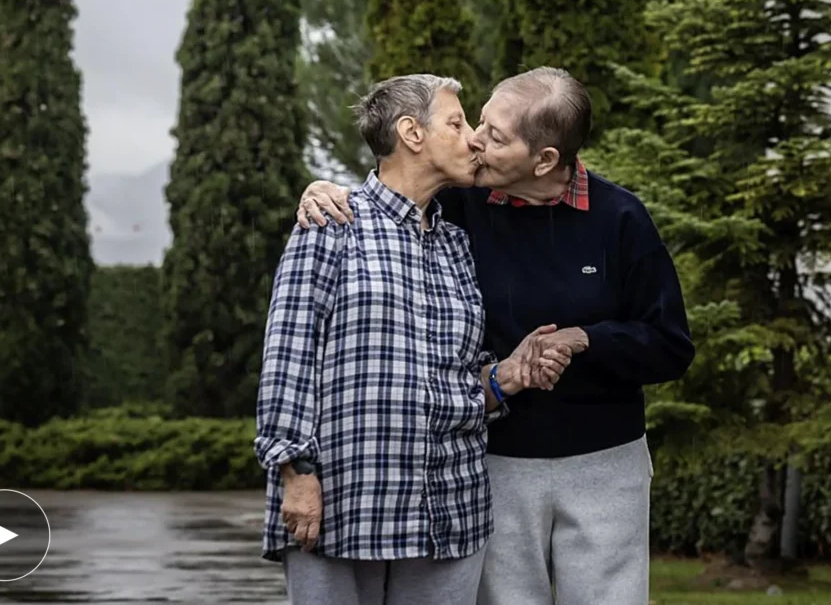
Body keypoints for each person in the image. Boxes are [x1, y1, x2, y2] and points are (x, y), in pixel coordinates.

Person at [295, 67, 696, 604]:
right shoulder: (462, 205)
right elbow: (392, 195)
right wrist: (326, 189)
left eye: (496, 135)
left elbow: (670, 345)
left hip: (605, 464)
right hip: (495, 463)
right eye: (479, 121)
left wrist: (586, 339)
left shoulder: (620, 218)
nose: (475, 140)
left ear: (545, 160)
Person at [254, 73, 571, 605]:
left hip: (449, 510)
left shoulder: (456, 246)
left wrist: (504, 377)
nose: (473, 137)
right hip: (344, 504)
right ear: (411, 133)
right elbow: (288, 360)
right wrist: (296, 475)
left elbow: (457, 381)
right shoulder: (332, 225)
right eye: (456, 122)